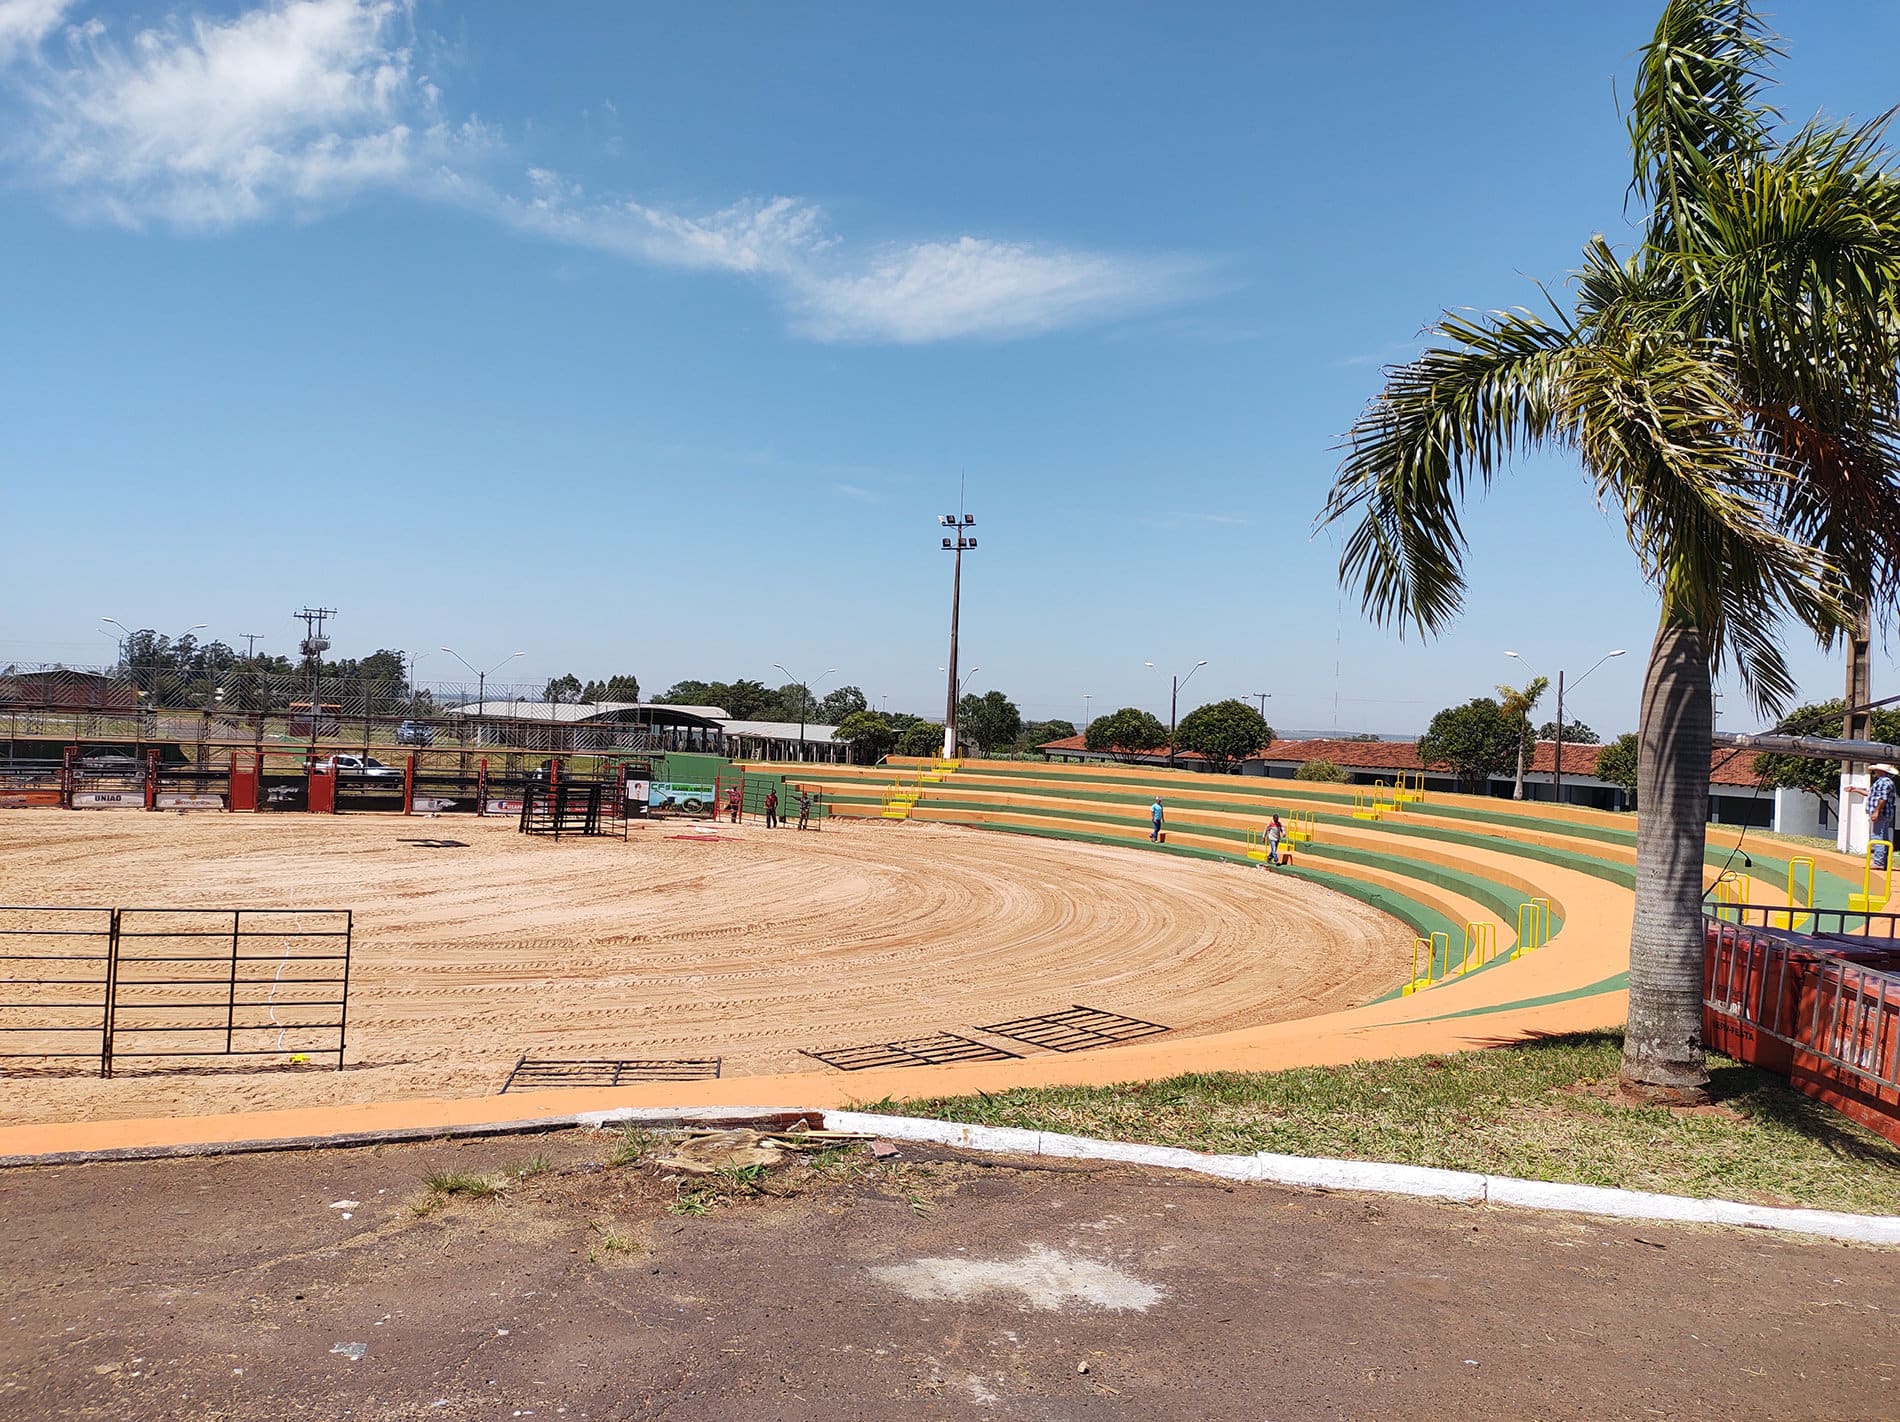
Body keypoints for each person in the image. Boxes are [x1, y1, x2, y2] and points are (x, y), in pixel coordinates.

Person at [1869, 763, 1898, 870]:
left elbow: (1882, 798)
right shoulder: (1885, 781)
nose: (1875, 771)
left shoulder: (1883, 782)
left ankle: (1878, 862)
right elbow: (1873, 795)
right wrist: (1856, 790)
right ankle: (1884, 862)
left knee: (1878, 837)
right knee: (1883, 837)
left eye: (1877, 769)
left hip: (1882, 813)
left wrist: (1876, 812)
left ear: (1881, 771)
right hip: (1886, 813)